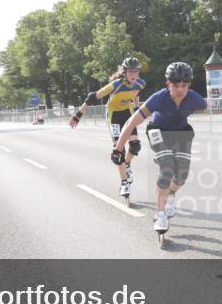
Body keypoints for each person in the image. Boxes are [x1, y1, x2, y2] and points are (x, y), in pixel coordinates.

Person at [112, 62, 207, 234]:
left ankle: (170, 194)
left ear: (189, 84)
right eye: (175, 85)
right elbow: (131, 122)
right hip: (158, 130)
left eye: (184, 85)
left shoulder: (195, 99)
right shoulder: (158, 98)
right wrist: (118, 149)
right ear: (167, 84)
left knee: (182, 175)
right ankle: (161, 213)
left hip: (181, 132)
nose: (180, 90)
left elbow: (210, 107)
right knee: (168, 167)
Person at [70, 57, 146, 197]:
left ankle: (127, 165)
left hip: (128, 115)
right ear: (124, 73)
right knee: (119, 150)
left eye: (135, 71)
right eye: (130, 71)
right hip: (114, 116)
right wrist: (77, 115)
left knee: (135, 146)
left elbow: (136, 94)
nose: (133, 74)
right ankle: (124, 183)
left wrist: (136, 109)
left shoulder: (141, 83)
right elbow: (92, 97)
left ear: (138, 72)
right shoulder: (116, 85)